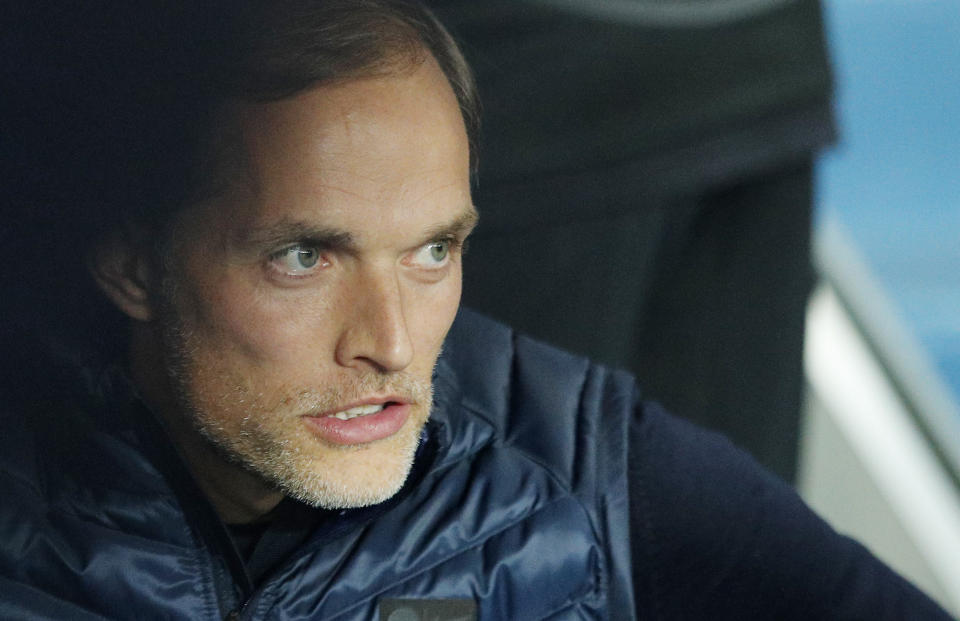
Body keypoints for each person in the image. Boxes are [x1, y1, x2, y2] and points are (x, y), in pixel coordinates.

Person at [0, 1, 952, 619]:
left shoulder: (579, 456)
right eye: (302, 257)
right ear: (130, 261)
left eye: (434, 250)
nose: (391, 342)